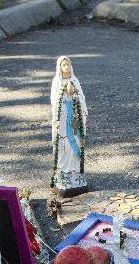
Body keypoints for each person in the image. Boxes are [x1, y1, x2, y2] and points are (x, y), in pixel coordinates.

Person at [50, 56, 88, 196]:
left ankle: (75, 172)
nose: (66, 67)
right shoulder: (57, 82)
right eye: (63, 65)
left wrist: (74, 92)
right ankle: (63, 173)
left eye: (68, 64)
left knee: (75, 143)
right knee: (64, 145)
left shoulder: (75, 81)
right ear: (59, 67)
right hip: (63, 119)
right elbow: (54, 101)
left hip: (74, 119)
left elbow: (81, 99)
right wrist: (64, 91)